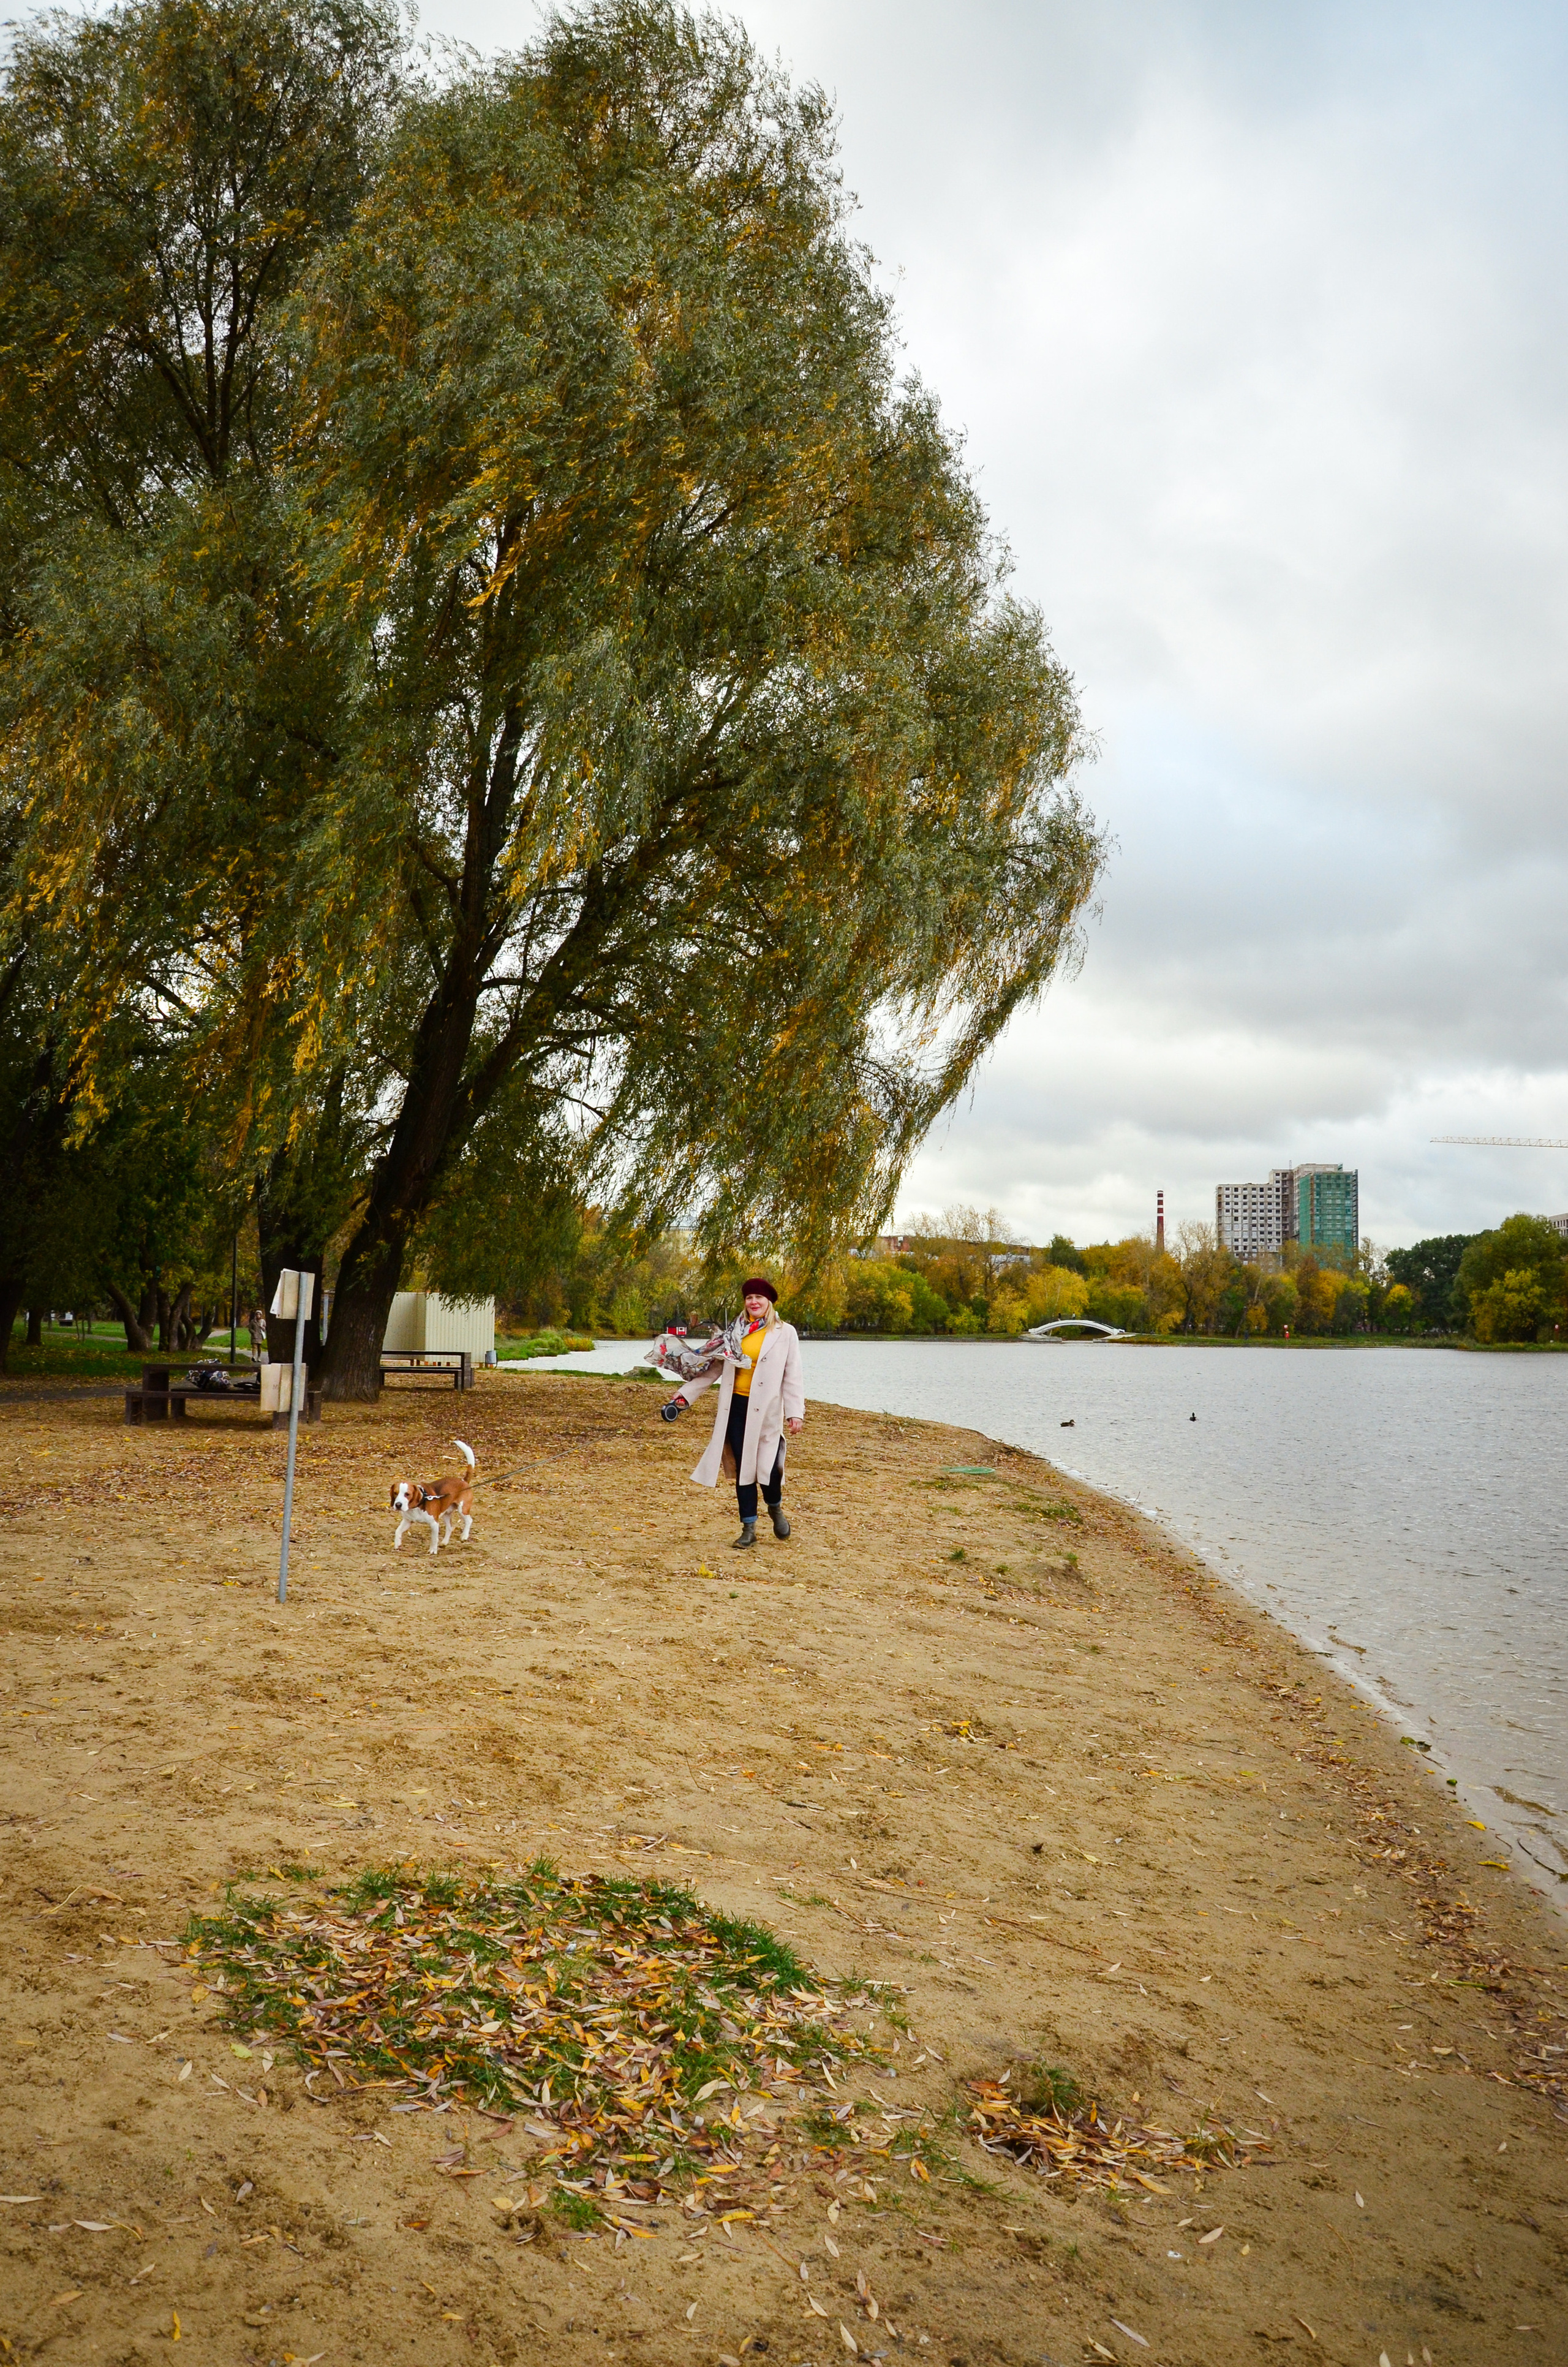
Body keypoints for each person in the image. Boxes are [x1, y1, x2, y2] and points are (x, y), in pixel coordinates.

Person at [660, 1277, 804, 1549]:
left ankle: (775, 1508)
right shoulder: (733, 1334)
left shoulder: (785, 1333)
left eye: (759, 1298)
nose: (753, 1302)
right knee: (744, 1470)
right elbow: (713, 1369)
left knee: (769, 1469)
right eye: (749, 1298)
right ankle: (748, 1527)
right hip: (737, 1408)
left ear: (769, 1302)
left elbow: (793, 1374)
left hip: (768, 1413)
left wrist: (795, 1412)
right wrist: (685, 1395)